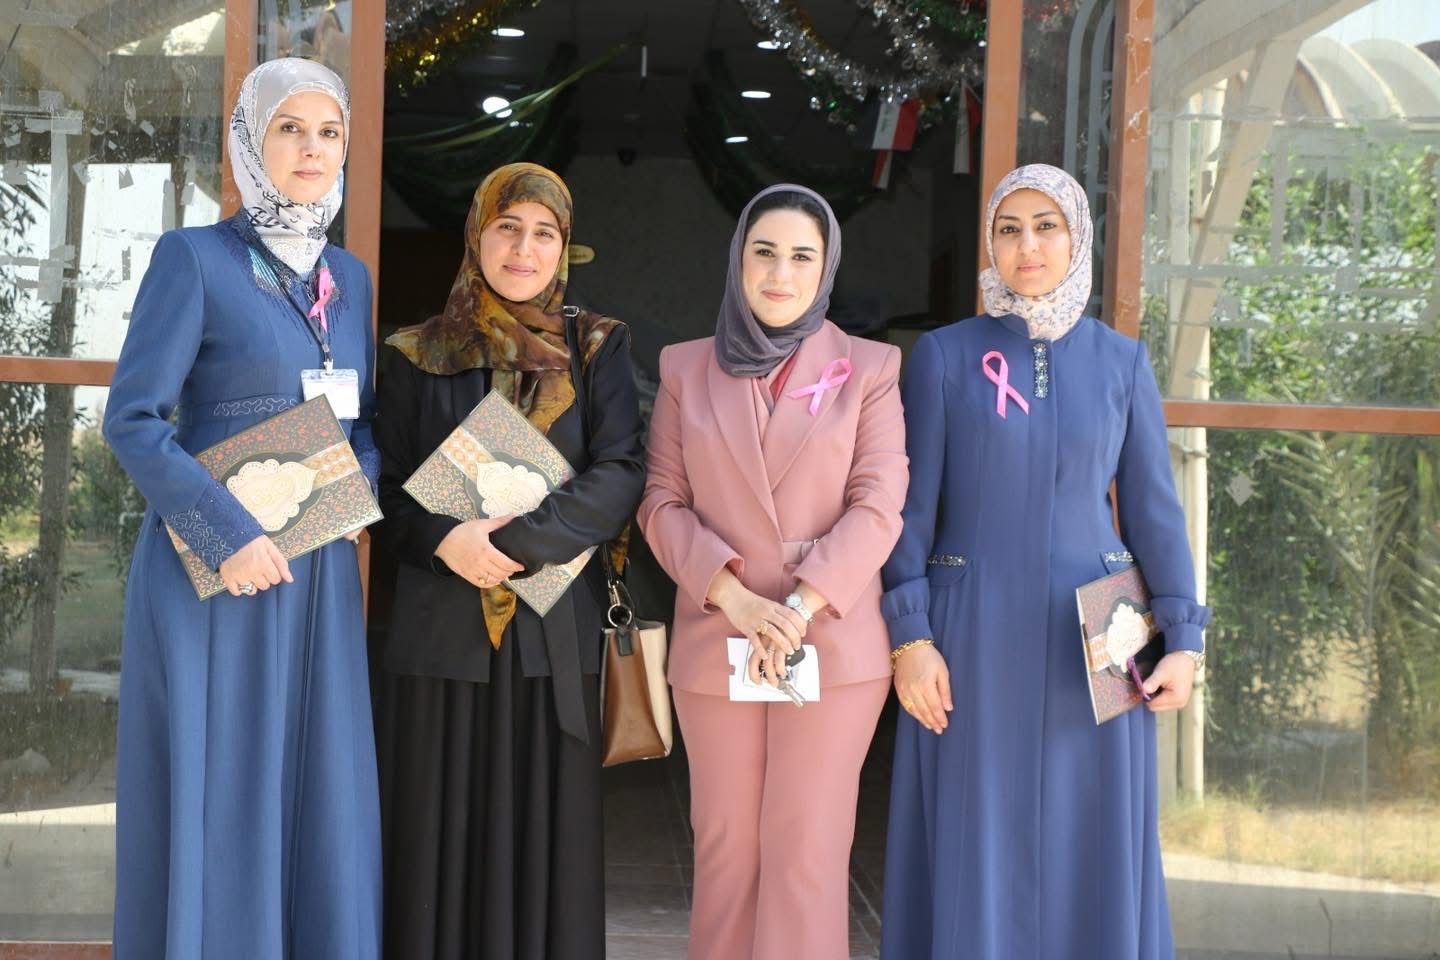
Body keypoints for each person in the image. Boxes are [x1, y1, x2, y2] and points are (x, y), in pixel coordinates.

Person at [879, 163, 1211, 959]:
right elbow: (907, 512)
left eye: (1046, 226)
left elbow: (1154, 511)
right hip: (972, 627)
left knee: (1090, 837)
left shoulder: (1121, 362)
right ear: (990, 245)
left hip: (1102, 635)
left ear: (1076, 238)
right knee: (977, 831)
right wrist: (910, 634)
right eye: (1008, 229)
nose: (1027, 245)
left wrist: (1184, 639)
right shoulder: (943, 357)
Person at [103, 58, 380, 958]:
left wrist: (355, 493)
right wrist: (227, 536)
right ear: (250, 143)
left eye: (329, 132)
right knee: (222, 782)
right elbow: (133, 420)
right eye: (289, 128)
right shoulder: (193, 258)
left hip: (315, 570)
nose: (312, 148)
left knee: (315, 780)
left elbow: (361, 423)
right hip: (216, 574)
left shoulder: (350, 277)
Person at [373, 162, 645, 960]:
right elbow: (382, 488)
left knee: (545, 840)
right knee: (436, 835)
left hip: (551, 633)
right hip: (442, 635)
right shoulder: (417, 352)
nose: (524, 249)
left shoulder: (596, 346)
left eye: (544, 233)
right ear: (477, 234)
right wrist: (444, 542)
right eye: (508, 228)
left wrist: (510, 545)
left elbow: (621, 472)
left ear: (565, 246)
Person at [638, 183, 908, 960]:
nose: (780, 273)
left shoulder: (869, 368)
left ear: (826, 270)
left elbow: (879, 504)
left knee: (806, 854)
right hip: (719, 630)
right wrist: (737, 600)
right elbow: (661, 501)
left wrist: (794, 608)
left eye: (801, 256)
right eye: (764, 252)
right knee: (725, 849)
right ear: (738, 261)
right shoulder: (686, 368)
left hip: (829, 638)